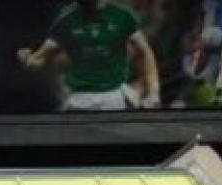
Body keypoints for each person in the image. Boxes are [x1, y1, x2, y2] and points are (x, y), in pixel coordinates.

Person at [18, 0, 162, 111]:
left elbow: (145, 52)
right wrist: (27, 60)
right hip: (79, 101)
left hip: (115, 97)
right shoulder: (66, 21)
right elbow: (39, 59)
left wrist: (153, 92)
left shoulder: (122, 16)